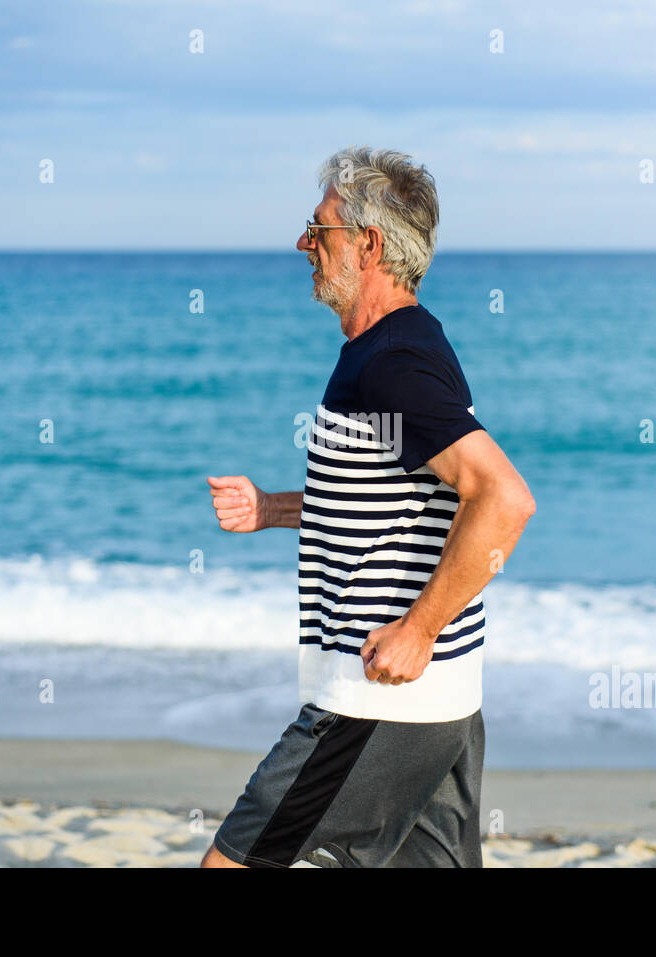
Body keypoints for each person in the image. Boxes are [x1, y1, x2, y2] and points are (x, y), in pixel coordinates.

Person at [201, 147, 535, 868]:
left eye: (318, 231)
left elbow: (503, 499)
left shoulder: (393, 362)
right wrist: (272, 508)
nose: (304, 245)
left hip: (375, 705)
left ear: (369, 245)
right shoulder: (400, 344)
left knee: (233, 862)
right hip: (436, 704)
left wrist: (419, 627)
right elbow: (390, 496)